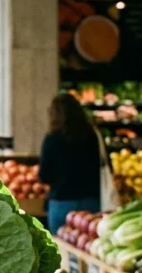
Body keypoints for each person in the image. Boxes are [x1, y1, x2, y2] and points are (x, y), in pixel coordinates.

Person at [39, 93, 102, 232]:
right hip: (90, 202)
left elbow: (44, 175)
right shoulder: (91, 136)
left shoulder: (52, 139)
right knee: (85, 245)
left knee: (61, 248)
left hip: (61, 202)